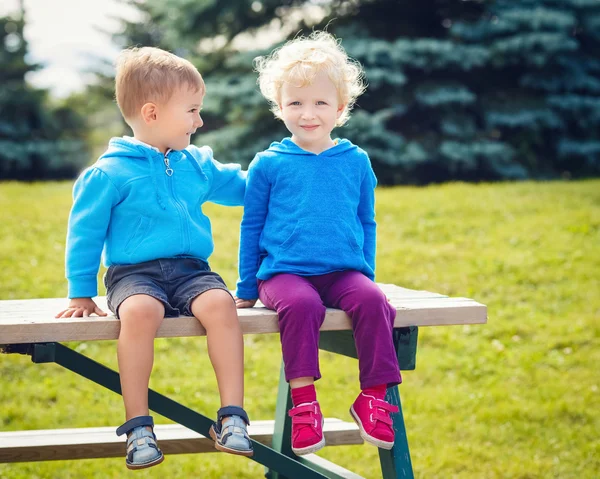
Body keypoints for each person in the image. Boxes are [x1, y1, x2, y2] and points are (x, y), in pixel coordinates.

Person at [56, 46, 253, 469]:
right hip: (134, 274)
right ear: (152, 113)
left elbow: (245, 188)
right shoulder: (109, 172)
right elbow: (85, 234)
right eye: (193, 110)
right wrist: (80, 293)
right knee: (141, 312)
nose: (200, 121)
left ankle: (233, 418)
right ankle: (138, 428)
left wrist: (282, 174)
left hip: (191, 271)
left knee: (221, 304)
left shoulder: (196, 164)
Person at [235, 31, 401, 456]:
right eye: (295, 103)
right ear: (280, 107)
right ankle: (305, 404)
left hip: (343, 272)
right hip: (284, 274)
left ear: (341, 108)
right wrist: (247, 289)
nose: (307, 114)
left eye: (320, 103)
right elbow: (251, 226)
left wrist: (366, 273)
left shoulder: (356, 161)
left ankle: (373, 397)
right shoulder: (269, 164)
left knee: (374, 302)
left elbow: (366, 220)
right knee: (303, 306)